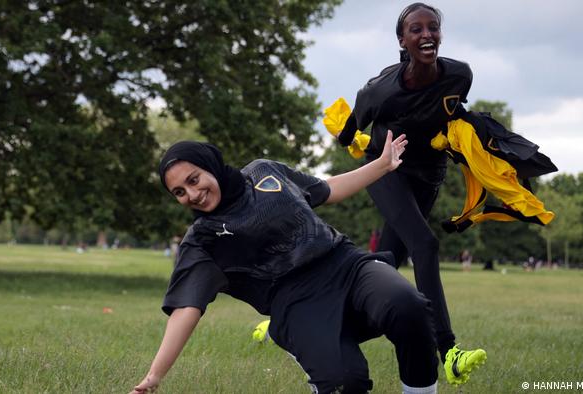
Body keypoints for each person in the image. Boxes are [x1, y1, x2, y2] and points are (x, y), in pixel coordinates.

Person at [130, 132, 446, 394]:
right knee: (343, 382)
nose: (193, 194)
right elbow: (186, 309)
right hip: (295, 302)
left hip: (344, 265)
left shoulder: (264, 171)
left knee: (408, 306)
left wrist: (381, 166)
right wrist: (155, 376)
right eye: (180, 192)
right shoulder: (203, 240)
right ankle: (295, 338)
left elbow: (326, 189)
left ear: (209, 165)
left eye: (194, 179)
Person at [329, 3, 487, 385]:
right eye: (416, 30)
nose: (426, 35)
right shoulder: (379, 90)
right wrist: (357, 142)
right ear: (402, 40)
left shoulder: (460, 74)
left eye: (433, 28)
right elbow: (348, 132)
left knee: (386, 262)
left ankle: (320, 321)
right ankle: (449, 350)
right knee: (425, 245)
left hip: (429, 174)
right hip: (385, 167)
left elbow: (452, 112)